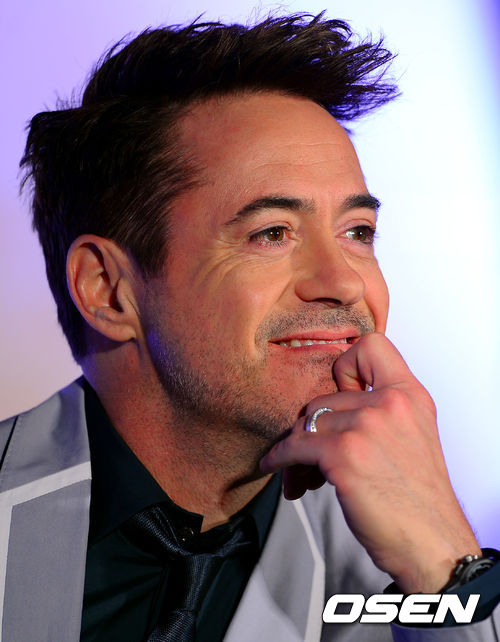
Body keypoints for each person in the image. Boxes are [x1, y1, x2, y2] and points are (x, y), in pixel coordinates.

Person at [0, 12, 499, 642]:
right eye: (271, 233)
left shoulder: (401, 563)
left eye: (358, 232)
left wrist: (448, 573)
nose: (345, 283)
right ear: (107, 289)